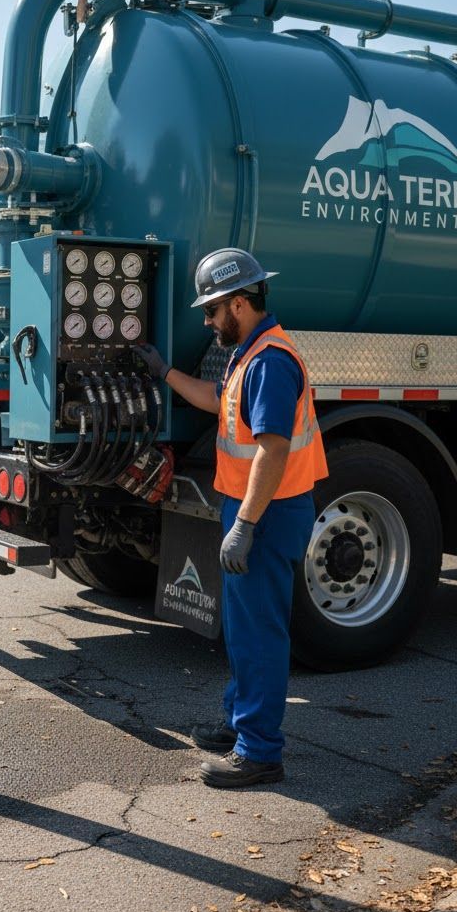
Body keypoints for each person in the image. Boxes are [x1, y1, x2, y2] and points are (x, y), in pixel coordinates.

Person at [139, 248, 328, 788]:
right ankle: (239, 721)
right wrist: (165, 372)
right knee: (243, 629)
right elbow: (215, 399)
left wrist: (244, 524)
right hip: (256, 509)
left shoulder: (270, 361)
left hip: (267, 513)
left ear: (239, 303)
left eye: (212, 309)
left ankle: (261, 752)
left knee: (260, 632)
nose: (206, 320)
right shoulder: (250, 353)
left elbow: (271, 449)